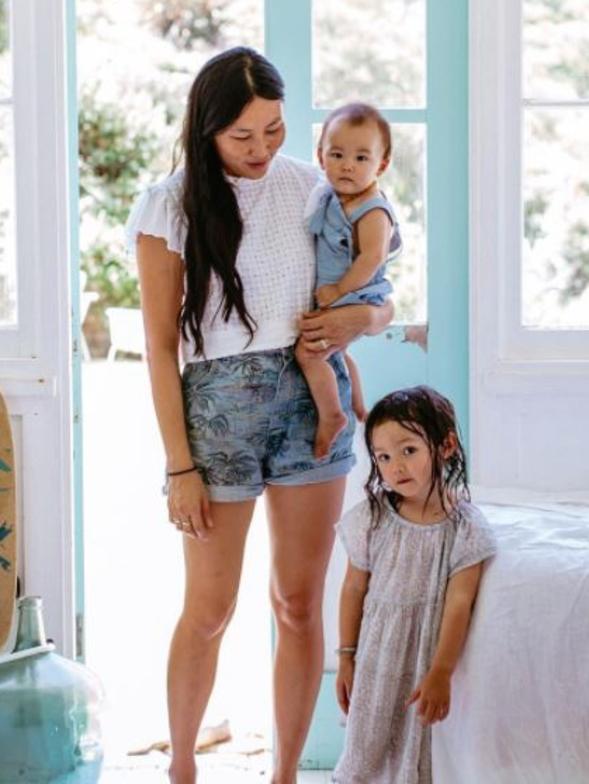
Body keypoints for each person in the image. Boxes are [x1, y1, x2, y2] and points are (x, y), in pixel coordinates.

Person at [125, 47, 394, 784]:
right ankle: (181, 768)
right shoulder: (170, 203)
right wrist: (179, 465)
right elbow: (156, 348)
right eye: (242, 136)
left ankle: (282, 776)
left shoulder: (314, 186)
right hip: (217, 414)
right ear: (206, 130)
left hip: (311, 401)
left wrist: (356, 324)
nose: (262, 150)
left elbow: (384, 298)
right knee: (209, 609)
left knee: (298, 604)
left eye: (273, 130)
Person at [332, 386, 497, 784]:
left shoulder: (464, 528)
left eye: (408, 451)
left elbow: (460, 603)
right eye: (383, 457)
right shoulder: (372, 517)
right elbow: (353, 589)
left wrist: (440, 671)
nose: (396, 467)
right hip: (376, 655)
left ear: (445, 446)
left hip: (424, 655)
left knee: (415, 752)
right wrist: (346, 657)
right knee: (364, 748)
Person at [296, 103, 401, 459]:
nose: (347, 166)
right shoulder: (331, 195)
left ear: (381, 165)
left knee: (309, 354)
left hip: (354, 293)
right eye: (337, 154)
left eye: (360, 158)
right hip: (343, 293)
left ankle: (332, 416)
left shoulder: (371, 209)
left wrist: (340, 291)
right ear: (320, 155)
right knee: (339, 353)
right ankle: (359, 407)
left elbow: (372, 257)